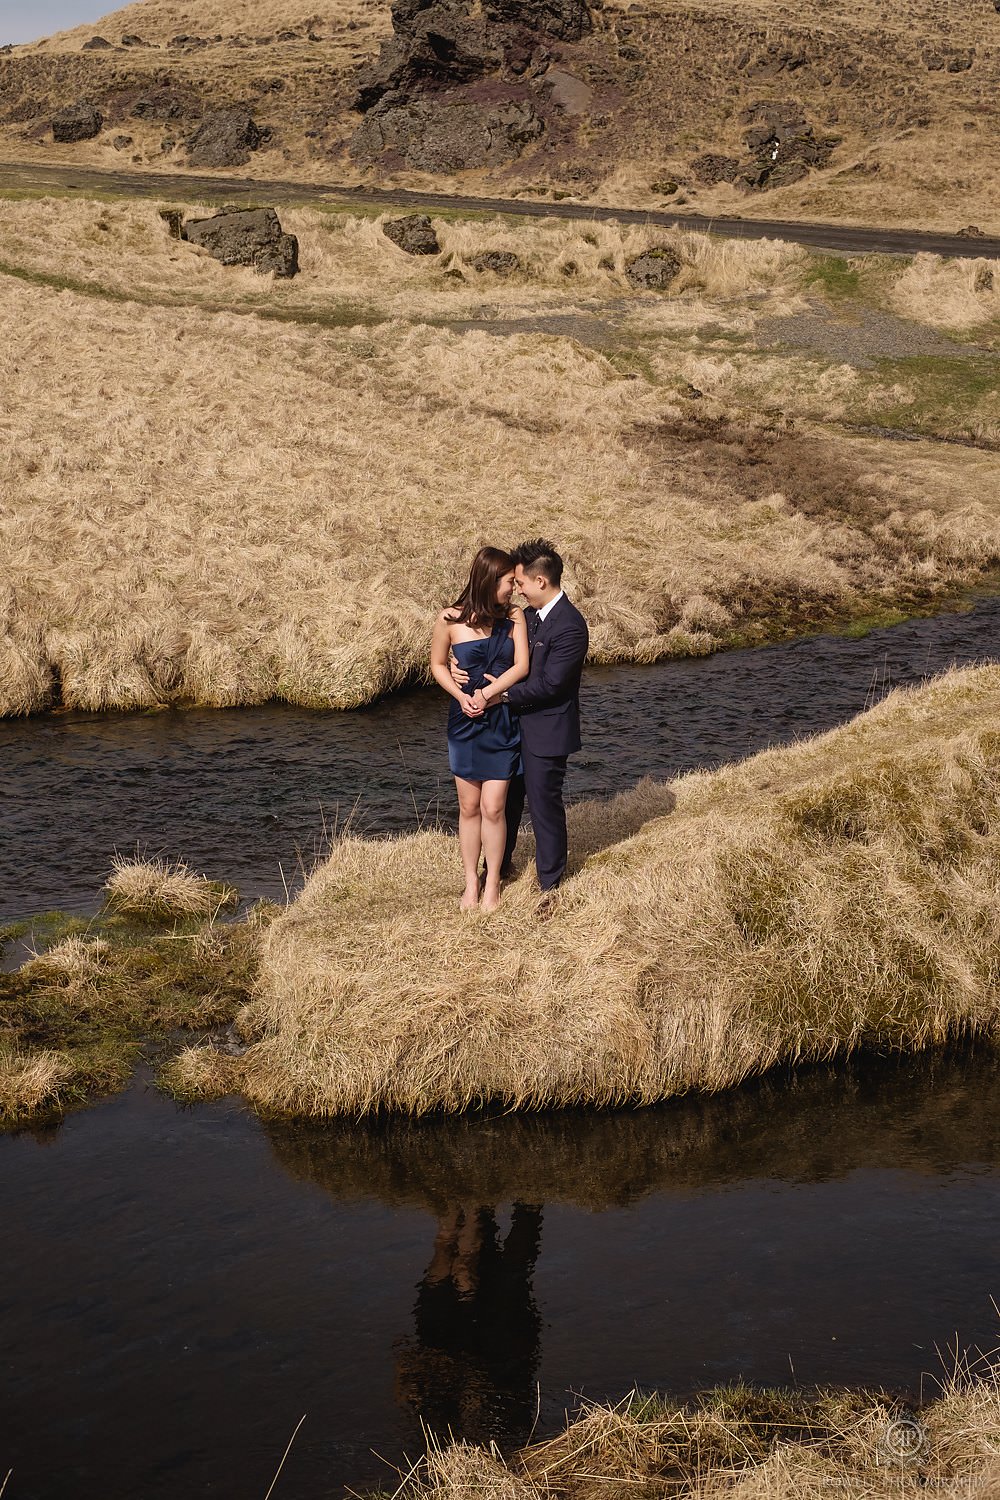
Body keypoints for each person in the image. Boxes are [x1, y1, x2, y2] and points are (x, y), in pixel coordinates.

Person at [452, 539, 589, 910]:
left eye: (521, 582)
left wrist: (502, 697)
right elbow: (494, 648)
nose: (517, 589)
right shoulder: (525, 616)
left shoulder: (571, 626)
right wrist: (457, 664)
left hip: (546, 730)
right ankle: (498, 867)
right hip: (509, 730)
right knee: (504, 804)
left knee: (544, 805)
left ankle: (550, 883)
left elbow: (551, 684)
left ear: (540, 581)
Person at [430, 547, 529, 912]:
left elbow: (521, 666)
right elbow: (437, 664)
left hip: (500, 721)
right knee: (469, 806)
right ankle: (470, 882)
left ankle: (492, 885)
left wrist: (488, 693)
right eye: (508, 582)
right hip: (463, 723)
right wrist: (460, 694)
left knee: (494, 806)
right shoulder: (449, 619)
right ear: (489, 581)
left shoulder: (514, 616)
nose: (513, 589)